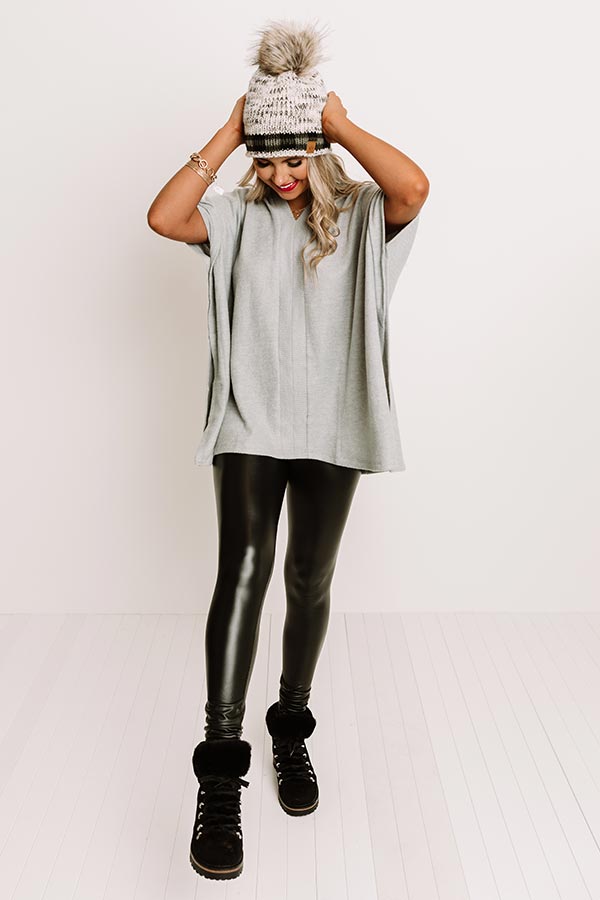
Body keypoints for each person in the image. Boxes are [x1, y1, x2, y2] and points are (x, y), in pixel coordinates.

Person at [147, 19, 429, 881]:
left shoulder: (360, 214)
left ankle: (291, 728)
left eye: (294, 157)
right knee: (242, 570)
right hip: (252, 420)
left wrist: (335, 122)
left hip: (334, 421)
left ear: (316, 151)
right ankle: (220, 775)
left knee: (309, 580)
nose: (280, 174)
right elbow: (164, 216)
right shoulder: (235, 217)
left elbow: (415, 187)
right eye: (267, 159)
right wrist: (232, 129)